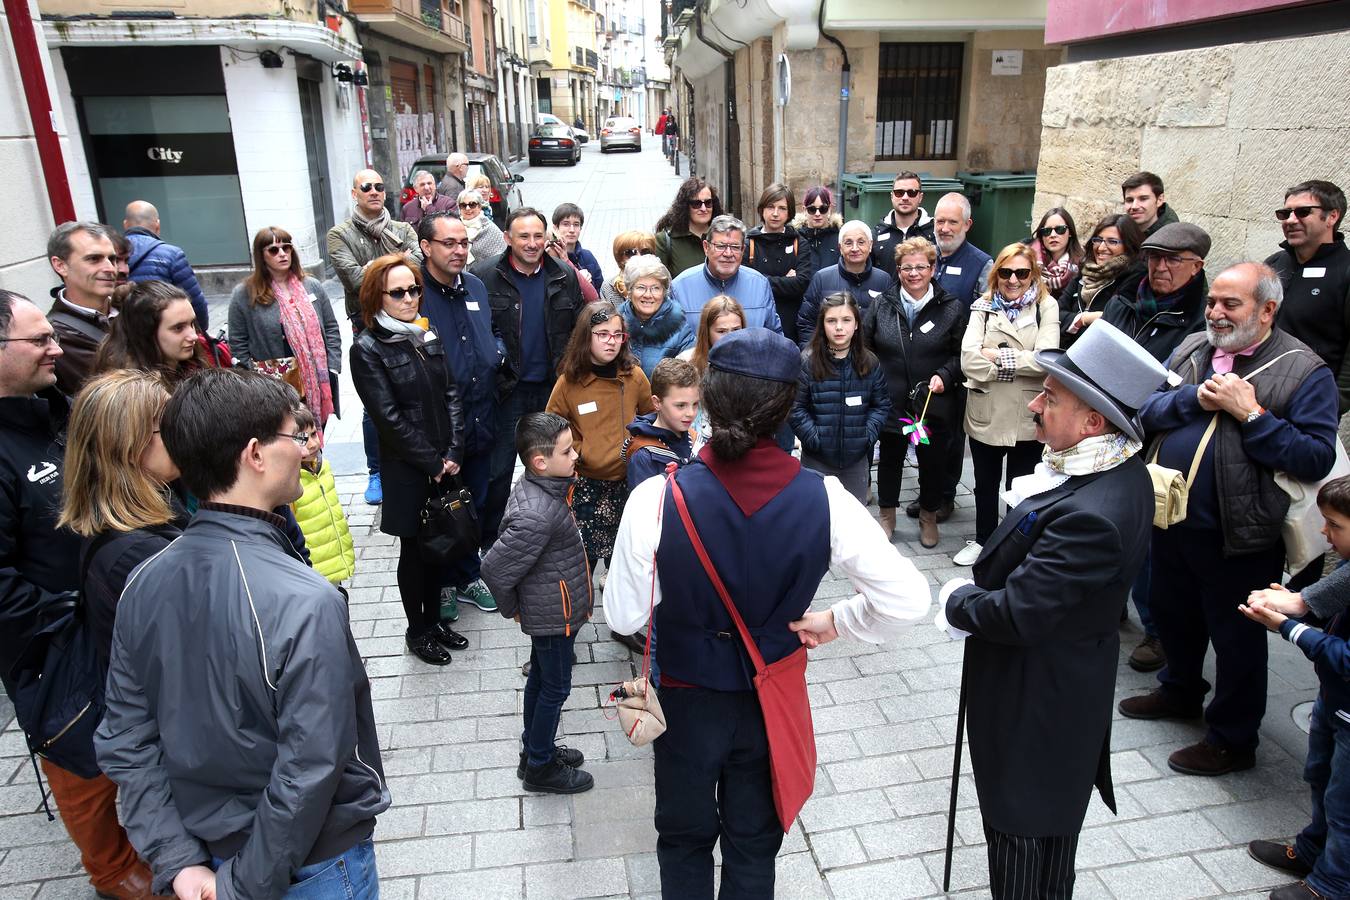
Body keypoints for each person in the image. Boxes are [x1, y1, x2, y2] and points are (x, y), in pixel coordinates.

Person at [606, 328, 931, 899]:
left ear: (709, 397)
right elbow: (908, 599)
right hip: (771, 690)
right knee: (754, 841)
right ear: (787, 405)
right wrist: (839, 621)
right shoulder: (825, 497)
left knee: (683, 837)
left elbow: (626, 613)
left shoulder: (657, 496)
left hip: (685, 695)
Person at [94, 368, 389, 900]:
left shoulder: (144, 579)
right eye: (294, 436)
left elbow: (126, 740)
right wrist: (242, 885)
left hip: (209, 853)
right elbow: (309, 767)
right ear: (255, 454)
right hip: (310, 867)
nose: (304, 449)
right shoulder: (307, 602)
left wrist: (180, 862)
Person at [938, 319, 1168, 900]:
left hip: (1038, 703)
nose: (1036, 406)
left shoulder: (1093, 510)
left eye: (1051, 397)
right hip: (1053, 691)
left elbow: (1020, 614)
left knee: (1024, 839)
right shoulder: (1101, 470)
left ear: (1095, 421)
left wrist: (958, 603)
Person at [1119, 261, 1340, 775]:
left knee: (1237, 641)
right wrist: (1190, 400)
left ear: (1267, 310)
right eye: (1213, 302)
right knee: (1173, 615)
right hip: (1169, 518)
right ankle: (1179, 691)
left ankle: (1232, 739)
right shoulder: (1195, 348)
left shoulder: (1305, 370)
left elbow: (1313, 458)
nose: (1215, 313)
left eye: (1229, 304)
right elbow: (1144, 410)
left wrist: (1253, 416)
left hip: (1239, 534)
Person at [0, 294, 160, 900]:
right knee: (83, 760)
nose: (55, 348)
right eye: (38, 340)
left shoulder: (59, 412)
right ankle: (114, 871)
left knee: (132, 750)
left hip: (112, 626)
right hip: (56, 650)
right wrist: (63, 622)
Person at [349, 254, 467, 665]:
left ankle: (434, 622)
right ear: (376, 297)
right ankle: (417, 632)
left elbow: (451, 394)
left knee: (439, 547)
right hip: (408, 469)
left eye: (414, 289)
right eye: (398, 292)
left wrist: (453, 451)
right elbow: (388, 420)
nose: (409, 298)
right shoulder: (367, 348)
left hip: (443, 461)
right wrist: (433, 463)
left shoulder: (425, 334)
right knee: (415, 551)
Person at [1243, 474, 1350, 900]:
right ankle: (1311, 850)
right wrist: (1296, 603)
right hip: (1334, 700)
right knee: (1320, 777)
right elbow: (1327, 604)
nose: (1323, 531)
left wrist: (1289, 627)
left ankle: (1333, 885)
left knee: (1345, 805)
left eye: (1334, 525)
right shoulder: (1346, 567)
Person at [480, 412, 594, 794]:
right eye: (567, 450)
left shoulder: (542, 489)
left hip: (552, 610)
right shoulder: (538, 513)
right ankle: (541, 768)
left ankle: (534, 751)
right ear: (540, 462)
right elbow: (494, 569)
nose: (575, 455)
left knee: (543, 680)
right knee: (556, 688)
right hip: (553, 617)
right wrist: (514, 608)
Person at [475, 207, 586, 549]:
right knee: (498, 472)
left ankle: (553, 537)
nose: (532, 243)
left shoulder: (563, 275)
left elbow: (578, 327)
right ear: (507, 238)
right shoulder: (483, 275)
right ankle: (490, 544)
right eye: (523, 236)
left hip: (551, 389)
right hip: (506, 390)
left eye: (538, 236)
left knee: (554, 466)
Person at [955, 243, 1060, 567]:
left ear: (1033, 276)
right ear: (996, 273)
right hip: (987, 411)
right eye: (1006, 272)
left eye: (1021, 273)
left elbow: (1047, 359)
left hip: (1027, 413)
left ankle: (1015, 546)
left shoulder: (1046, 307)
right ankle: (984, 540)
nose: (1013, 279)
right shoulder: (982, 306)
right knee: (985, 483)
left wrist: (997, 357)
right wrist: (1018, 364)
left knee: (1022, 484)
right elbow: (968, 360)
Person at [418, 212, 501, 614]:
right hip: (439, 425)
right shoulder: (412, 293)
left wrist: (496, 353)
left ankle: (470, 575)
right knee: (443, 509)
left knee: (477, 504)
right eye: (449, 243)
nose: (459, 250)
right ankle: (445, 582)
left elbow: (493, 330)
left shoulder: (476, 286)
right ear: (426, 247)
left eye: (464, 242)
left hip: (482, 416)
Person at [328, 168, 422, 506]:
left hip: (409, 325)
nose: (373, 191)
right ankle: (375, 471)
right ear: (355, 193)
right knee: (374, 404)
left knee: (414, 392)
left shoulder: (402, 228)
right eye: (366, 187)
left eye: (379, 186)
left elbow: (418, 268)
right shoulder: (339, 234)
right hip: (367, 328)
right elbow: (355, 281)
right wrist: (398, 262)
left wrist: (375, 267)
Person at [866, 237, 966, 545]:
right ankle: (887, 516)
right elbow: (866, 347)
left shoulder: (951, 307)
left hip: (931, 404)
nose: (913, 273)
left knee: (932, 462)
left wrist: (945, 375)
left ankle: (928, 516)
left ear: (933, 268)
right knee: (891, 460)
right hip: (892, 399)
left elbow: (962, 353)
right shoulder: (882, 303)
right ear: (897, 270)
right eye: (906, 267)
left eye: (921, 266)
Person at [545, 299, 653, 573]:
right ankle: (578, 610)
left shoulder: (635, 376)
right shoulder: (569, 382)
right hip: (586, 486)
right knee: (582, 562)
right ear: (585, 337)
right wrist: (579, 450)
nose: (611, 341)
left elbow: (651, 417)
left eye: (618, 335)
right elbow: (552, 426)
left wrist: (638, 447)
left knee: (625, 561)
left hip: (628, 483)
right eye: (603, 334)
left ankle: (620, 610)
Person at [229, 227, 342, 430]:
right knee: (286, 437)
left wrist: (332, 366)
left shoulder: (312, 286)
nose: (282, 254)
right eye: (273, 250)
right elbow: (237, 342)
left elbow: (331, 328)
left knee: (312, 438)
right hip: (273, 388)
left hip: (315, 382)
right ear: (261, 256)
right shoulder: (244, 293)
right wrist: (253, 379)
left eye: (286, 248)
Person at [791, 292, 891, 502]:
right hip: (817, 459)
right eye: (831, 321)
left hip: (856, 460)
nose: (839, 327)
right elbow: (795, 407)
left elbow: (881, 405)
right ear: (822, 324)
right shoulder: (808, 362)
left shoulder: (869, 362)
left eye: (846, 320)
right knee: (819, 517)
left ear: (856, 324)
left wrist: (866, 435)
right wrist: (814, 437)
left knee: (853, 519)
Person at [1267, 179, 1350, 414]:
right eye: (1285, 213)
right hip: (1255, 392)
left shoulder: (1346, 271)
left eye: (1303, 212)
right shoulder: (1274, 263)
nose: (1291, 220)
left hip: (1309, 402)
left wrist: (1334, 402)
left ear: (1332, 216)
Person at [1100, 221, 1210, 363]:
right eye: (1155, 257)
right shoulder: (1121, 303)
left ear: (1196, 266)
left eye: (1172, 259)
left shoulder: (1202, 322)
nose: (1160, 267)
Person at [94, 280, 221, 384]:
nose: (194, 336)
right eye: (178, 328)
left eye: (192, 323)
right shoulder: (135, 397)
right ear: (146, 333)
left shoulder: (192, 366)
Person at [669, 215, 781, 331]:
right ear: (706, 247)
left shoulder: (759, 285)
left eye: (735, 247)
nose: (728, 253)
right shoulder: (680, 288)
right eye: (721, 246)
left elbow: (775, 338)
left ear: (743, 250)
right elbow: (671, 342)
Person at [46, 221, 117, 395]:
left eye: (112, 259)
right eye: (94, 259)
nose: (110, 268)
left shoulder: (137, 309)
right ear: (60, 265)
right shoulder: (51, 338)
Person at [288, 404, 355, 585]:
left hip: (334, 562)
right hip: (311, 573)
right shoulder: (290, 482)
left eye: (313, 434)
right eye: (302, 439)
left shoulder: (323, 466)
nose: (313, 444)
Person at [797, 220, 893, 345]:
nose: (854, 248)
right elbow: (806, 322)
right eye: (848, 243)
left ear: (870, 245)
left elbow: (890, 325)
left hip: (870, 359)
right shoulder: (822, 278)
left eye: (861, 242)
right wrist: (811, 356)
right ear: (840, 247)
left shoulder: (883, 280)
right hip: (828, 357)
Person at [1058, 214, 1145, 350]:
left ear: (1129, 245)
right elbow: (1057, 314)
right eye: (1098, 240)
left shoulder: (1134, 276)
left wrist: (1082, 320)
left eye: (1112, 241)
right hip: (1065, 351)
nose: (1101, 247)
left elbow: (1115, 321)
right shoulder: (1085, 270)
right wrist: (1083, 319)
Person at [122, 200, 210, 329]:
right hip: (162, 330)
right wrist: (200, 331)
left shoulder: (112, 254)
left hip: (126, 331)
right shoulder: (171, 254)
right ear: (157, 225)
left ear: (125, 224)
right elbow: (195, 302)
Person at [746, 182, 814, 345]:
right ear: (762, 209)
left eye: (782, 208)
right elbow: (747, 284)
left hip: (790, 324)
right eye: (771, 207)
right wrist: (786, 280)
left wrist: (761, 279)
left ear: (789, 211)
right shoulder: (749, 244)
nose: (775, 213)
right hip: (757, 323)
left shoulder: (800, 244)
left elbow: (801, 284)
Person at [624, 357, 698, 487]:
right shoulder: (644, 455)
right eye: (681, 405)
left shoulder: (694, 439)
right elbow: (644, 504)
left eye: (695, 404)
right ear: (657, 403)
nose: (691, 413)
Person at [618, 254, 693, 374]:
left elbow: (689, 376)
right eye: (641, 287)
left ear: (664, 292)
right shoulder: (616, 322)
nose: (648, 295)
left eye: (656, 288)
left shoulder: (680, 330)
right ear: (630, 291)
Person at [932, 192, 994, 306]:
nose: (945, 229)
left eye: (953, 222)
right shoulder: (923, 256)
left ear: (967, 225)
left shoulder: (982, 264)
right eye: (940, 221)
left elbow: (987, 313)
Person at [871, 171, 935, 279]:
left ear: (920, 197)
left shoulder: (933, 232)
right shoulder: (877, 234)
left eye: (912, 192)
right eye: (899, 193)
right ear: (892, 196)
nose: (905, 197)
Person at [654, 177, 722, 277]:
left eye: (708, 203)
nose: (703, 209)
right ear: (685, 206)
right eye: (696, 204)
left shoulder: (724, 235)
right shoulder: (666, 240)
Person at [1029, 207, 1085, 301]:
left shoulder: (1083, 264)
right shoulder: (1028, 260)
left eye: (1060, 229)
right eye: (1047, 231)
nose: (1053, 235)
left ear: (1070, 232)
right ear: (1042, 236)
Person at [553, 202, 604, 294]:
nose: (572, 230)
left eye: (576, 224)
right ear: (555, 228)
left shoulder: (587, 256)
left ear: (580, 228)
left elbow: (600, 289)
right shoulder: (552, 257)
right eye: (566, 224)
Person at [792, 185, 842, 276]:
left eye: (823, 209)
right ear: (804, 210)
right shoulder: (795, 238)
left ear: (829, 209)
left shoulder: (841, 238)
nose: (817, 214)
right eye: (812, 209)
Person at [600, 230, 658, 305]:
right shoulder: (609, 287)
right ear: (620, 258)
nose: (638, 257)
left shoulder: (661, 282)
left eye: (645, 252)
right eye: (631, 253)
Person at [1122, 171, 1179, 237]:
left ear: (1159, 200)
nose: (1134, 206)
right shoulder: (1118, 233)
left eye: (1143, 199)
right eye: (1129, 200)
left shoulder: (1174, 240)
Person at [459, 188, 508, 264]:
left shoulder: (489, 228)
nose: (467, 208)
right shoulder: (455, 227)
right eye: (463, 205)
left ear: (479, 206)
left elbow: (503, 255)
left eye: (472, 205)